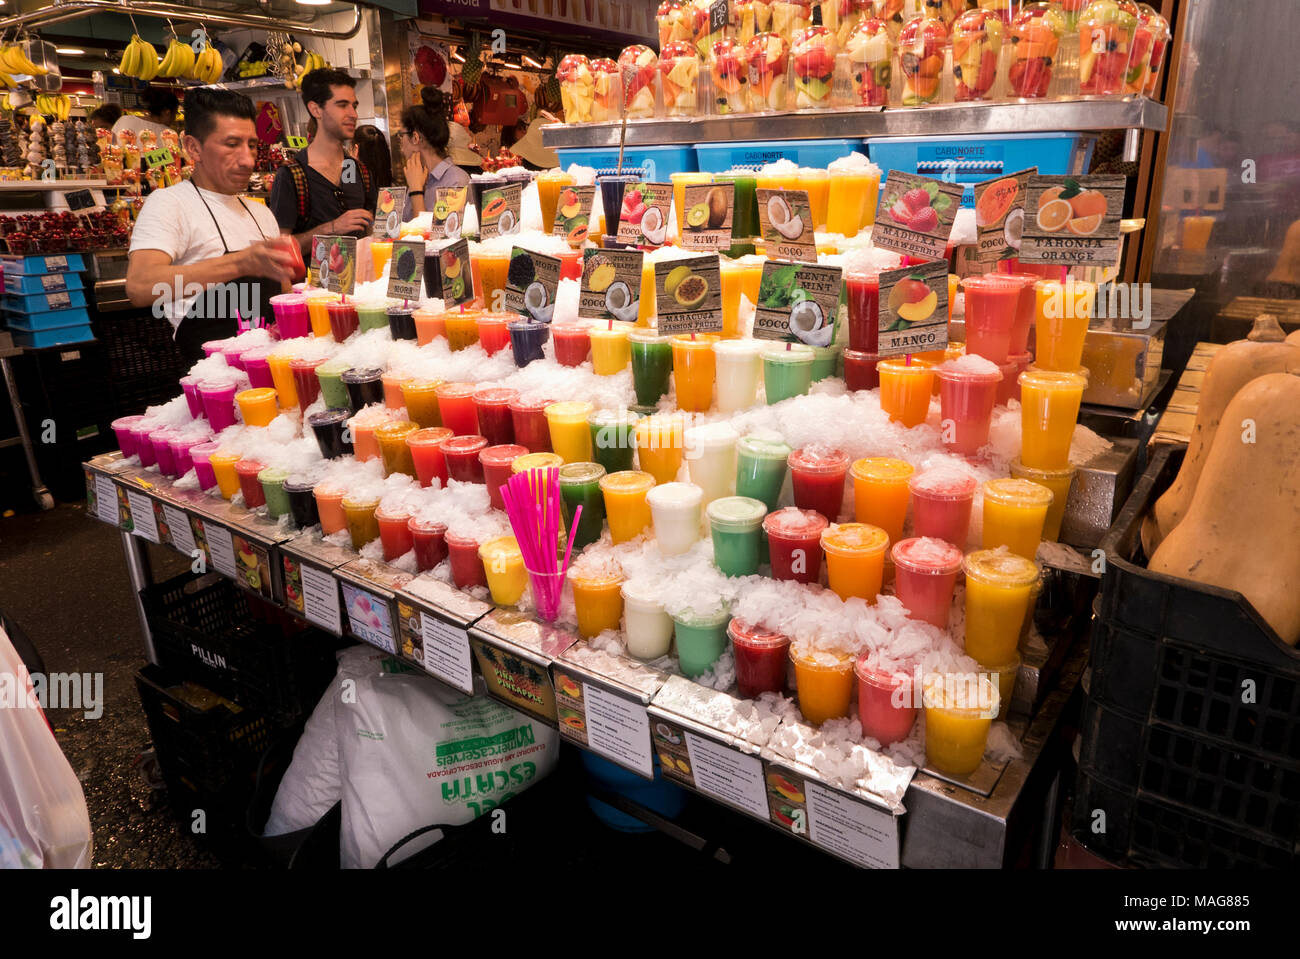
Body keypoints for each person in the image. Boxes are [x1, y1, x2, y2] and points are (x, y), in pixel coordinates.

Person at [125, 88, 296, 366]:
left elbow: (282, 296)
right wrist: (242, 263)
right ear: (193, 147)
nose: (247, 160)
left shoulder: (260, 212)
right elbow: (140, 286)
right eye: (231, 144)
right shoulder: (170, 203)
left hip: (270, 368)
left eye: (251, 145)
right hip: (215, 379)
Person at [270, 67, 377, 254]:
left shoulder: (356, 170)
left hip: (362, 281)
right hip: (312, 282)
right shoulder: (292, 176)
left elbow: (373, 231)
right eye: (342, 105)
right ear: (316, 109)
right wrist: (331, 228)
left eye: (354, 105)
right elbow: (281, 249)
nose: (353, 114)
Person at [398, 86, 470, 219]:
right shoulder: (418, 177)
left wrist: (416, 191)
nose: (401, 144)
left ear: (415, 138)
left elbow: (434, 237)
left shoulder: (456, 181)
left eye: (401, 135)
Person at [112, 88, 177, 141]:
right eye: (175, 113)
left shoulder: (125, 119)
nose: (174, 119)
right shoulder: (169, 134)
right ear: (167, 112)